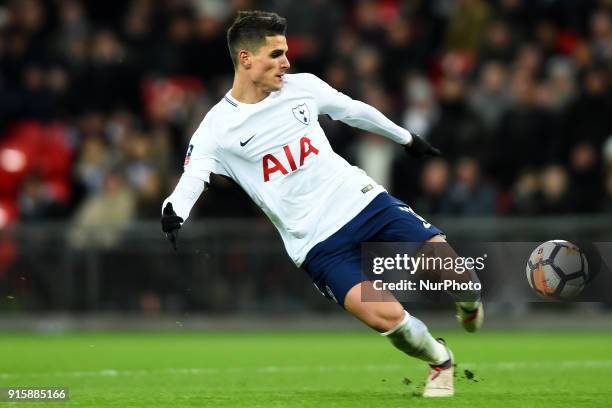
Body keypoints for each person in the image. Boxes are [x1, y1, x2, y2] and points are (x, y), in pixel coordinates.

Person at [161, 11, 483, 398]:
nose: (287, 62)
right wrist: (175, 209)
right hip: (315, 243)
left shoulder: (303, 88)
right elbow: (194, 176)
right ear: (246, 59)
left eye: (286, 52)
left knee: (457, 276)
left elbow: (354, 110)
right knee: (388, 319)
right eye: (276, 54)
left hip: (361, 202)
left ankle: (468, 305)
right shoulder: (216, 128)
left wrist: (407, 140)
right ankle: (439, 359)